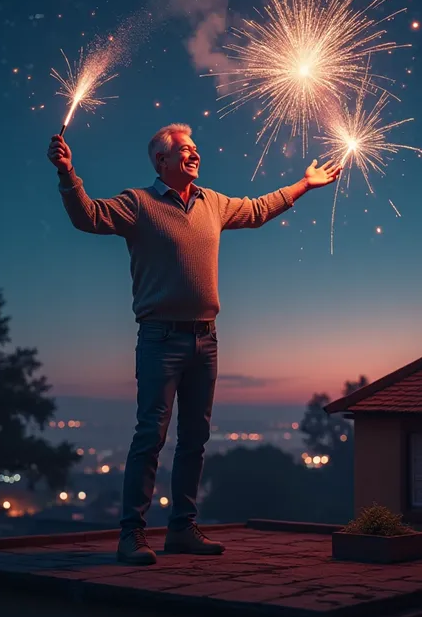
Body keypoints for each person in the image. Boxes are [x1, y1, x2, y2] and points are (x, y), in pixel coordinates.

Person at [47, 123, 341, 565]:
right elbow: (87, 216)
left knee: (195, 438)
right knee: (151, 435)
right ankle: (132, 535)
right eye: (185, 150)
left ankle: (182, 529)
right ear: (161, 161)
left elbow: (259, 209)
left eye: (195, 148)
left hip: (206, 340)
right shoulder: (138, 203)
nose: (194, 154)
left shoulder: (214, 203)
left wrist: (304, 183)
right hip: (160, 339)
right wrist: (68, 174)